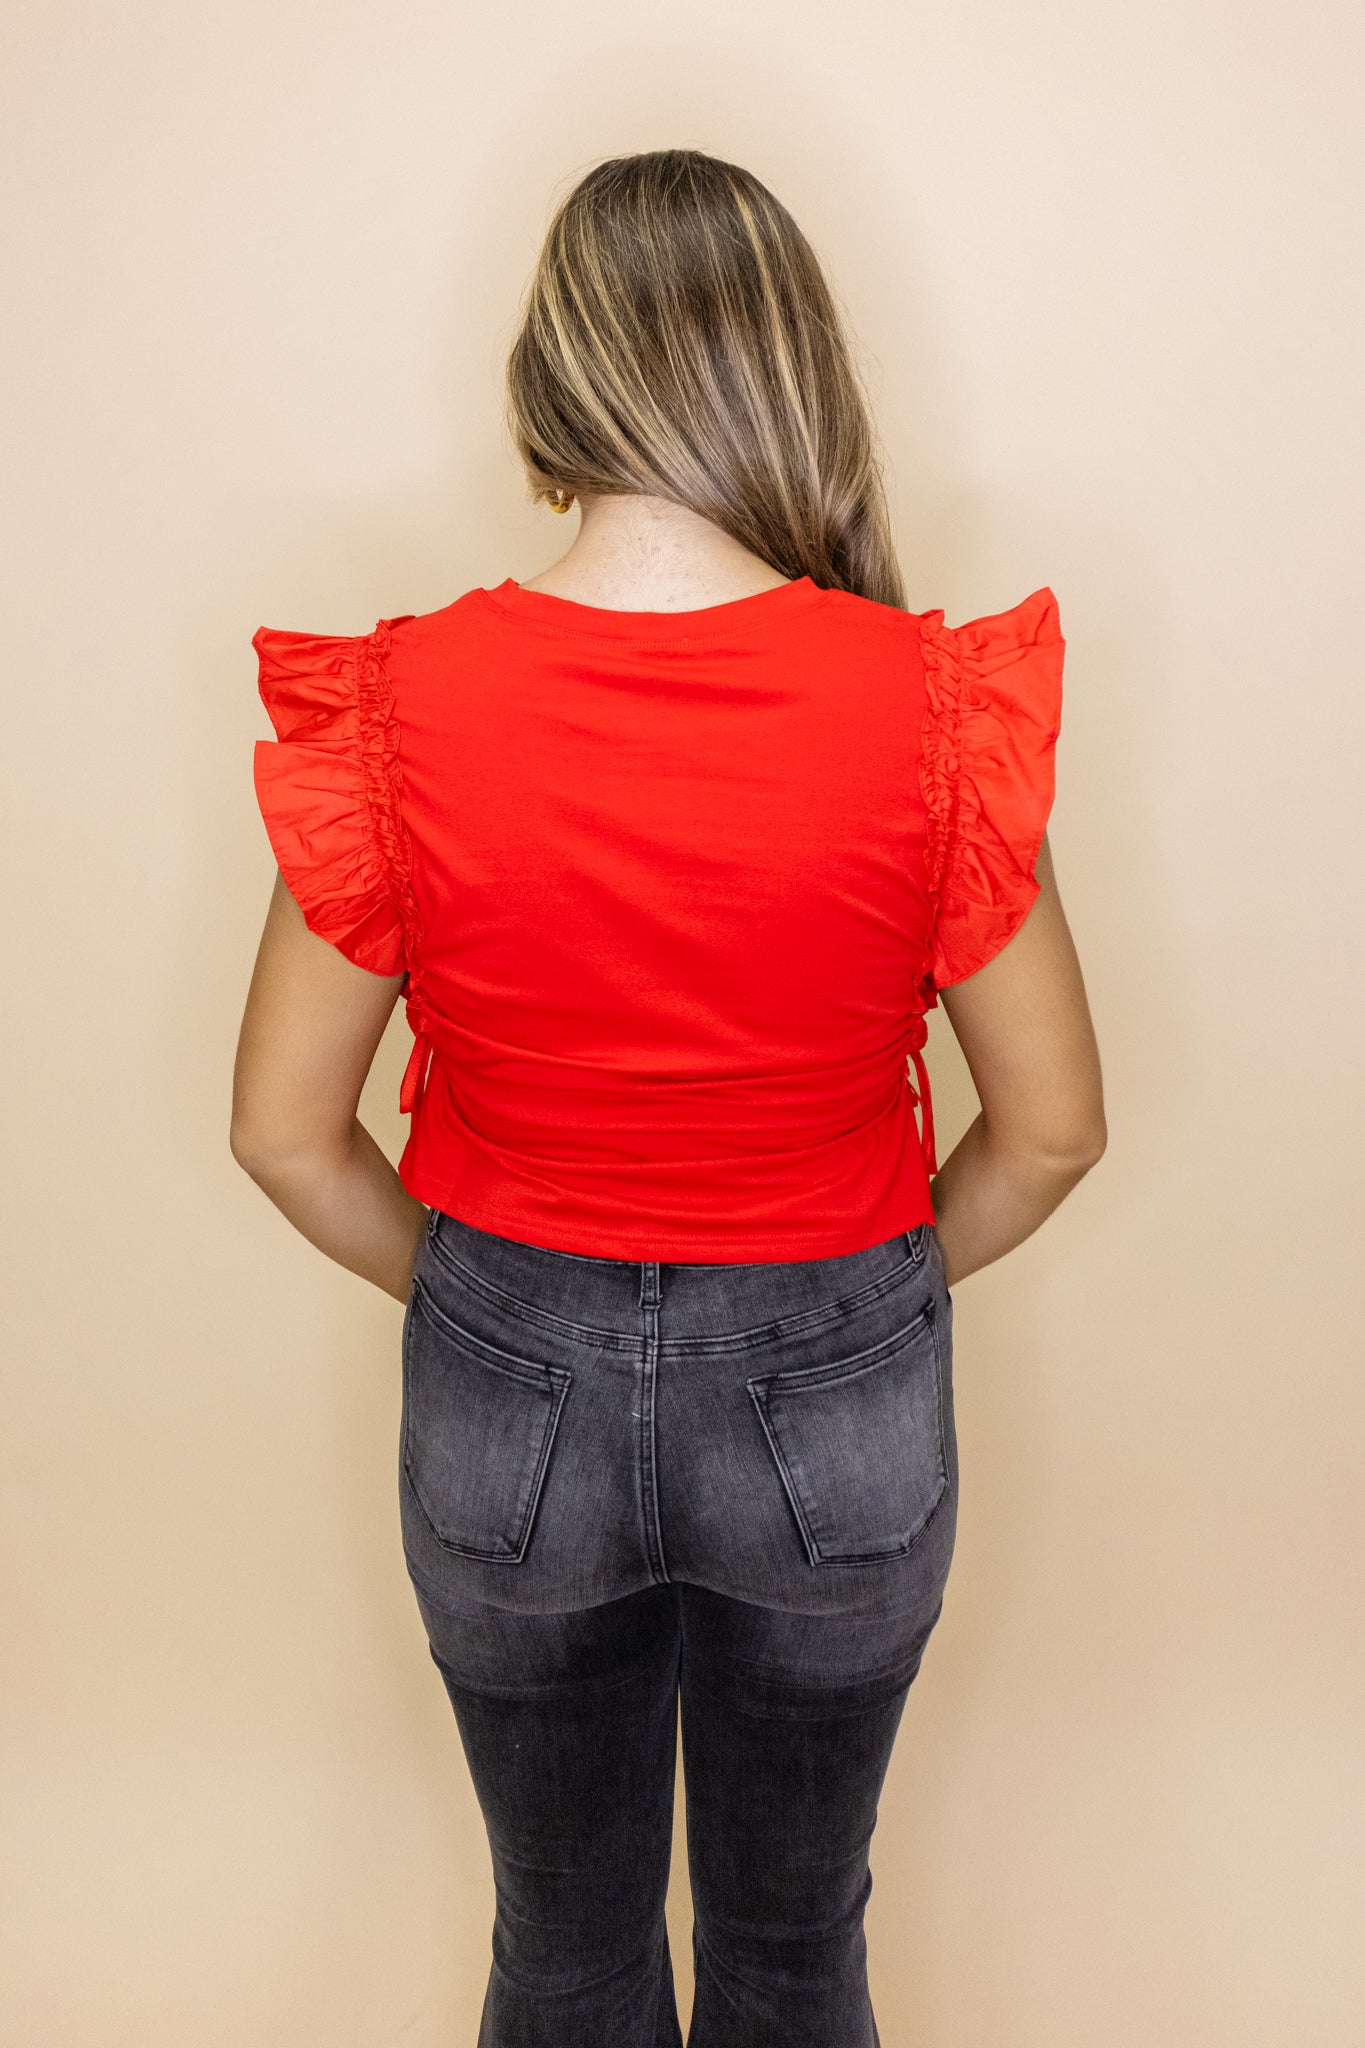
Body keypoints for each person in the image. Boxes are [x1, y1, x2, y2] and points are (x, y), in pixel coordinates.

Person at [231, 148, 1106, 2048]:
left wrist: (490, 1299)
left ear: (550, 384)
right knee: (796, 1953)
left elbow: (287, 1133)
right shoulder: (928, 708)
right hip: (838, 1385)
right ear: (790, 370)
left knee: (559, 1950)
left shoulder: (402, 707)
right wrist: (847, 1301)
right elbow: (1048, 1129)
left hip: (501, 1393)